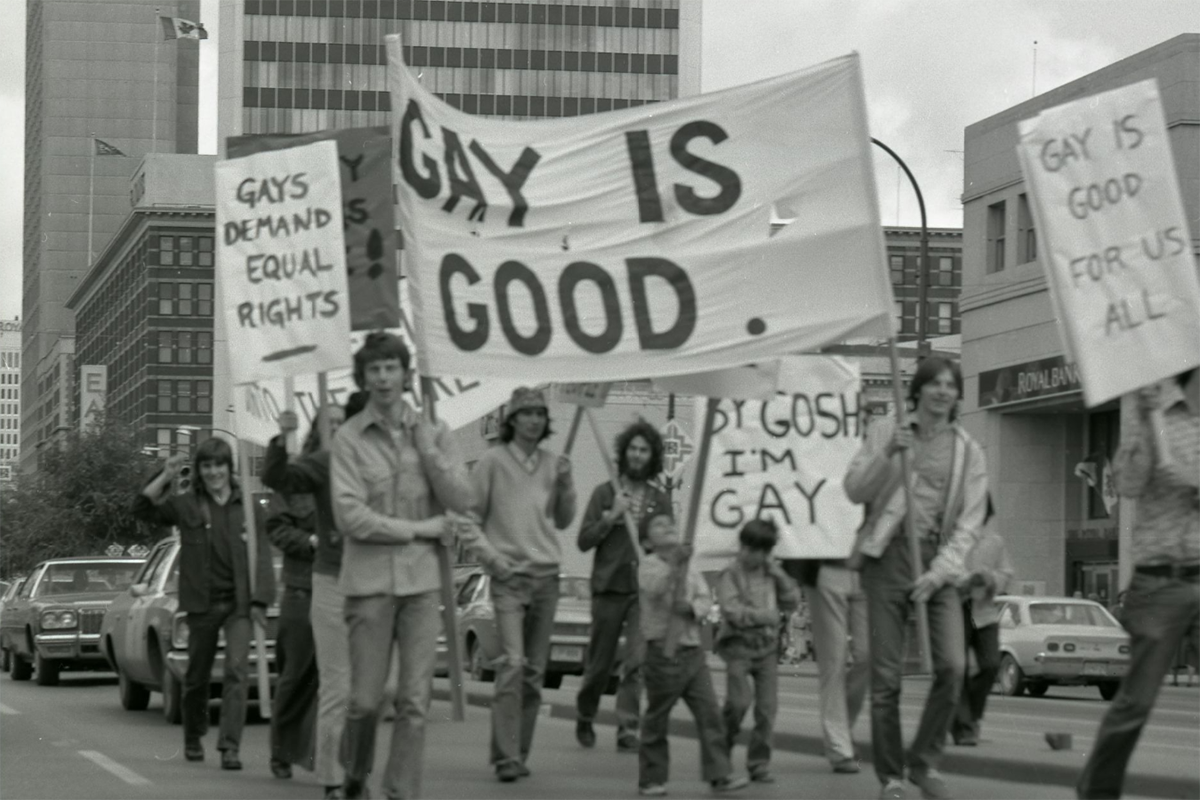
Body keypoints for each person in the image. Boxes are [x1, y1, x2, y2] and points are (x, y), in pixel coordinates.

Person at [332, 332, 501, 800]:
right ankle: (354, 773)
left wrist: (428, 451)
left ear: (406, 375)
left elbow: (463, 500)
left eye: (392, 368)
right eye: (375, 369)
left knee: (415, 700)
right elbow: (351, 516)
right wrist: (420, 529)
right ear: (363, 378)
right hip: (368, 584)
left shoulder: (436, 432)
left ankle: (400, 791)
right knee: (366, 701)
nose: (384, 377)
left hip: (423, 584)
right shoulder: (348, 439)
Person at [844, 356, 988, 800]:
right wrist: (887, 455)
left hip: (938, 560)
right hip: (886, 555)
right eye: (935, 383)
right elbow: (854, 490)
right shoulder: (888, 431)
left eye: (951, 385)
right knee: (886, 677)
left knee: (953, 666)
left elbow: (970, 520)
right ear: (919, 389)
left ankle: (924, 761)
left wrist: (940, 571)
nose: (943, 391)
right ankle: (891, 777)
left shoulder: (968, 449)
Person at [1077, 373, 1200, 800]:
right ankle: (1098, 791)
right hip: (1160, 581)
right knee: (1136, 703)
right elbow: (1128, 484)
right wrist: (1148, 423)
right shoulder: (1153, 409)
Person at [132, 438, 275, 770]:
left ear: (229, 468)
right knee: (197, 675)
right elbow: (142, 509)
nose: (214, 472)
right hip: (202, 604)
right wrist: (165, 476)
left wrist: (261, 600)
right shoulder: (187, 505)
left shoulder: (249, 506)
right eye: (207, 466)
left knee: (237, 671)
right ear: (200, 470)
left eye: (219, 465)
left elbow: (263, 555)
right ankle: (194, 737)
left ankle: (230, 747)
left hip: (239, 602)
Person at [471, 387, 576, 781]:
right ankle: (505, 756)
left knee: (534, 672)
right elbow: (468, 519)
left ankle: (517, 751)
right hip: (509, 579)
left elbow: (564, 521)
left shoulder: (553, 464)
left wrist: (566, 485)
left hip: (546, 577)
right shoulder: (491, 463)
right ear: (511, 419)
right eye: (526, 413)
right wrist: (493, 560)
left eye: (539, 413)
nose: (533, 419)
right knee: (513, 664)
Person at [264, 401, 355, 800]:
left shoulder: (355, 469)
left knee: (336, 684)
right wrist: (310, 542)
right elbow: (276, 527)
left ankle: (328, 759)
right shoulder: (302, 472)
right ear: (316, 429)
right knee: (297, 675)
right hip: (304, 588)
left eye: (342, 422)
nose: (336, 428)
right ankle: (282, 749)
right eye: (329, 423)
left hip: (347, 585)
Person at [637, 511, 748, 796]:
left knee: (709, 713)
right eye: (659, 525)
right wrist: (674, 565)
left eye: (670, 523)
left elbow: (702, 597)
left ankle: (719, 774)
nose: (668, 527)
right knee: (657, 716)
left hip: (692, 652)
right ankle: (652, 777)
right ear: (647, 541)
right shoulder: (648, 564)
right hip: (663, 652)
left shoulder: (691, 567)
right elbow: (656, 589)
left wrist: (695, 609)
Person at [576, 420, 671, 753]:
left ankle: (627, 727)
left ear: (652, 456)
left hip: (643, 594)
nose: (637, 454)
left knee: (636, 663)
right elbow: (583, 541)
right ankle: (585, 714)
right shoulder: (605, 493)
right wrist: (611, 517)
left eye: (644, 449)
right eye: (633, 448)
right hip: (608, 588)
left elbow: (667, 545)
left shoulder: (660, 500)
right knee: (599, 667)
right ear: (623, 451)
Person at [714, 519, 800, 784]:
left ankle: (759, 762)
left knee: (767, 709)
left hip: (766, 649)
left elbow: (792, 601)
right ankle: (720, 755)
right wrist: (765, 616)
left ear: (767, 552)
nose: (749, 554)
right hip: (739, 646)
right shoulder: (730, 573)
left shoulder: (771, 574)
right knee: (738, 703)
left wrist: (780, 576)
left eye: (757, 551)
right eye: (746, 548)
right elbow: (731, 610)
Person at [782, 553, 869, 775]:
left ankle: (841, 729)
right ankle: (839, 747)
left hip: (868, 569)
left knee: (869, 657)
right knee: (833, 661)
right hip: (825, 568)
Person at [950, 494, 1013, 747]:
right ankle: (964, 727)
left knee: (990, 665)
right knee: (958, 669)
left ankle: (971, 716)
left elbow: (1007, 573)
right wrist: (963, 581)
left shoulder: (994, 542)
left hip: (985, 611)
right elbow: (943, 569)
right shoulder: (952, 539)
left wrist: (990, 579)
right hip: (957, 608)